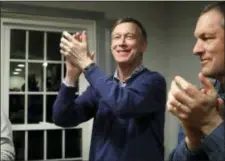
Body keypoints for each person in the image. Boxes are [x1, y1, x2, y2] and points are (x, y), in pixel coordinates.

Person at [53, 18, 167, 161]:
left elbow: (123, 104)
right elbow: (62, 117)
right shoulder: (102, 86)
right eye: (116, 37)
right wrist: (71, 76)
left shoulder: (153, 82)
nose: (121, 43)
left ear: (143, 45)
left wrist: (86, 64)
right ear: (112, 45)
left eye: (129, 37)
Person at [167, 2, 224, 161]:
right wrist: (192, 140)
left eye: (207, 38)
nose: (196, 49)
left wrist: (210, 123)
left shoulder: (205, 113)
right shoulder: (201, 103)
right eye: (197, 39)